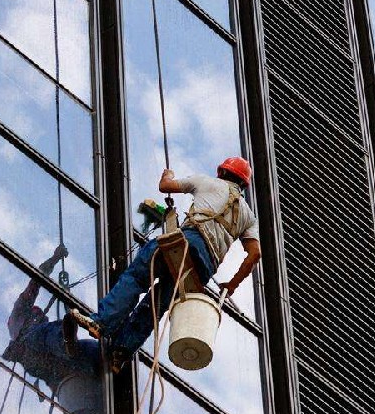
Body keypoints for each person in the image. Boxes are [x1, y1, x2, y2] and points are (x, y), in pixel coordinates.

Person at [64, 157, 262, 373]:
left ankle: (101, 323)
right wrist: (231, 285)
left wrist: (167, 175)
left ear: (222, 173)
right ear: (243, 185)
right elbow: (255, 254)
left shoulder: (208, 182)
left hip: (186, 241)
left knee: (137, 277)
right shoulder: (248, 217)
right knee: (155, 307)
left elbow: (165, 186)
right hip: (202, 268)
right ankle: (120, 352)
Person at [2, 244, 104, 414]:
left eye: (41, 314)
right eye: (38, 313)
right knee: (49, 334)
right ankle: (68, 346)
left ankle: (99, 354)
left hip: (59, 368)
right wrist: (55, 258)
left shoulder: (40, 327)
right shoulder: (18, 321)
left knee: (93, 349)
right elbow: (36, 280)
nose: (41, 315)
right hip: (36, 352)